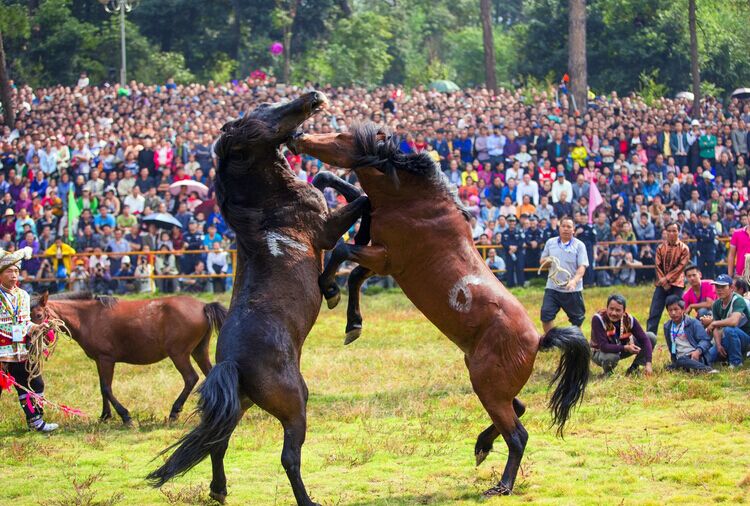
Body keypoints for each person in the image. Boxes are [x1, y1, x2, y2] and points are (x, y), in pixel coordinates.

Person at [0, 247, 59, 432]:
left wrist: (37, 328)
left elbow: (25, 322)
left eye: (16, 271)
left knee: (35, 384)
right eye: (9, 271)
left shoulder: (23, 296)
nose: (14, 275)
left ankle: (36, 423)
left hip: (21, 352)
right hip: (2, 353)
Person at [539, 216, 588, 333]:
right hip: (553, 287)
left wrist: (574, 281)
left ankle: (577, 344)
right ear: (559, 228)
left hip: (572, 289)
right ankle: (552, 342)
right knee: (546, 315)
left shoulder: (579, 245)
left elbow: (582, 267)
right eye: (563, 226)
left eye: (569, 227)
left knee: (577, 321)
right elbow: (542, 262)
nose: (566, 229)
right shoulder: (550, 243)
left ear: (573, 230)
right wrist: (548, 261)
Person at [590, 294, 656, 376]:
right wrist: (625, 348)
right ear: (607, 308)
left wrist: (648, 363)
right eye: (611, 309)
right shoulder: (598, 319)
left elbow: (645, 340)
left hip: (620, 348)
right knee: (611, 357)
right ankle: (608, 373)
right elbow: (603, 346)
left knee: (651, 337)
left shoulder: (629, 319)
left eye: (618, 310)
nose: (614, 313)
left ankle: (634, 368)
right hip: (600, 352)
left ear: (624, 311)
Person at [646, 222, 691, 335]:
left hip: (677, 284)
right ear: (665, 232)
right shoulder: (660, 248)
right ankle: (649, 340)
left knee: (678, 312)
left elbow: (681, 267)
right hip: (661, 284)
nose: (671, 233)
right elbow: (657, 266)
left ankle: (681, 336)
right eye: (669, 231)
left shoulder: (684, 249)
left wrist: (666, 279)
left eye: (674, 231)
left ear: (678, 232)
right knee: (654, 313)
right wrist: (663, 280)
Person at [700, 274, 750, 368]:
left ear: (731, 288)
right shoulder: (716, 304)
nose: (719, 289)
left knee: (729, 330)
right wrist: (718, 345)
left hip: (745, 339)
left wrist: (713, 322)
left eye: (723, 287)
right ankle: (726, 357)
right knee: (707, 358)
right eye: (717, 286)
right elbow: (716, 328)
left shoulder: (738, 300)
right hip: (725, 338)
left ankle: (736, 363)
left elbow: (733, 322)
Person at [663, 295, 717, 373]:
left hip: (696, 357)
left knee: (681, 361)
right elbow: (672, 346)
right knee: (669, 366)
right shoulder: (667, 326)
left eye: (676, 309)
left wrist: (698, 351)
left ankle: (707, 369)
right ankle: (688, 368)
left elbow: (705, 341)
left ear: (682, 309)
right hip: (680, 359)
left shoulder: (693, 323)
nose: (673, 313)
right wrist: (674, 360)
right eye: (670, 310)